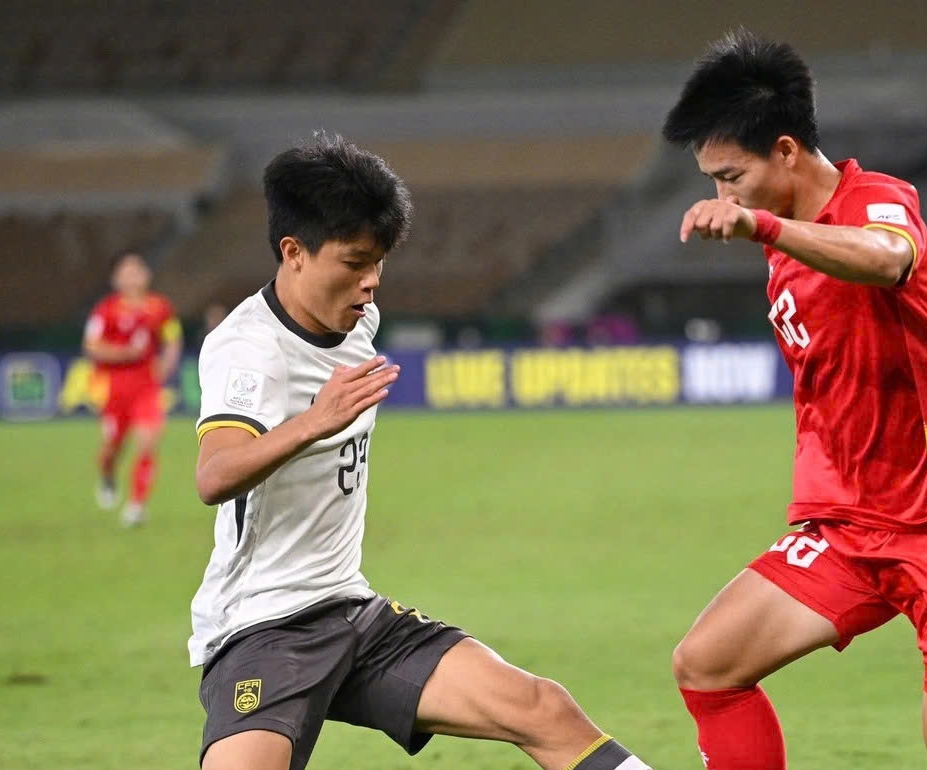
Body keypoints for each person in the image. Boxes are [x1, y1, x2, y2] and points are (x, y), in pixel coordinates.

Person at [189, 134, 651, 770]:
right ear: (293, 253)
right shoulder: (248, 350)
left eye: (379, 263)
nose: (371, 283)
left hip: (350, 612)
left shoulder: (359, 323)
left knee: (544, 709)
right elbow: (213, 476)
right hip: (264, 628)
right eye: (355, 263)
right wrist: (314, 422)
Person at [661, 30, 927, 770]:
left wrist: (765, 223)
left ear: (785, 151)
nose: (723, 197)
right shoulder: (784, 246)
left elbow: (887, 258)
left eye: (731, 177)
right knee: (707, 665)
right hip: (851, 530)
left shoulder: (878, 201)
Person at [82, 252, 182, 526]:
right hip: (115, 389)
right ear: (116, 279)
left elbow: (172, 338)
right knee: (111, 448)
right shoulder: (106, 310)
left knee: (147, 443)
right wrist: (125, 353)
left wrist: (167, 364)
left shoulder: (160, 308)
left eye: (136, 271)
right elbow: (91, 346)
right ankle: (107, 475)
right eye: (126, 272)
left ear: (146, 275)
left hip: (147, 387)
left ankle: (137, 506)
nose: (132, 277)